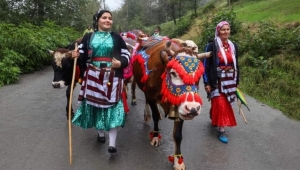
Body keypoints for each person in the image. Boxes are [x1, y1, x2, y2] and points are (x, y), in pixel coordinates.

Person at [71, 10, 130, 154]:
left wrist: (120, 63)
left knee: (113, 107)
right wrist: (75, 55)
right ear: (97, 20)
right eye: (104, 18)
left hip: (113, 76)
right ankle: (101, 133)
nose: (108, 20)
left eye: (110, 18)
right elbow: (81, 54)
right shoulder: (88, 37)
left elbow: (126, 54)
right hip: (93, 76)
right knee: (96, 105)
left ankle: (112, 143)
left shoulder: (117, 38)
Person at [203, 21, 239, 144]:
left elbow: (236, 64)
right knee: (220, 102)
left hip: (230, 79)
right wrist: (206, 82)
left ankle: (214, 115)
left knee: (226, 102)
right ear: (218, 31)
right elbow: (205, 65)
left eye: (228, 29)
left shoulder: (233, 46)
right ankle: (222, 130)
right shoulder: (212, 46)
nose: (226, 32)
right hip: (216, 80)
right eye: (223, 29)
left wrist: (237, 80)